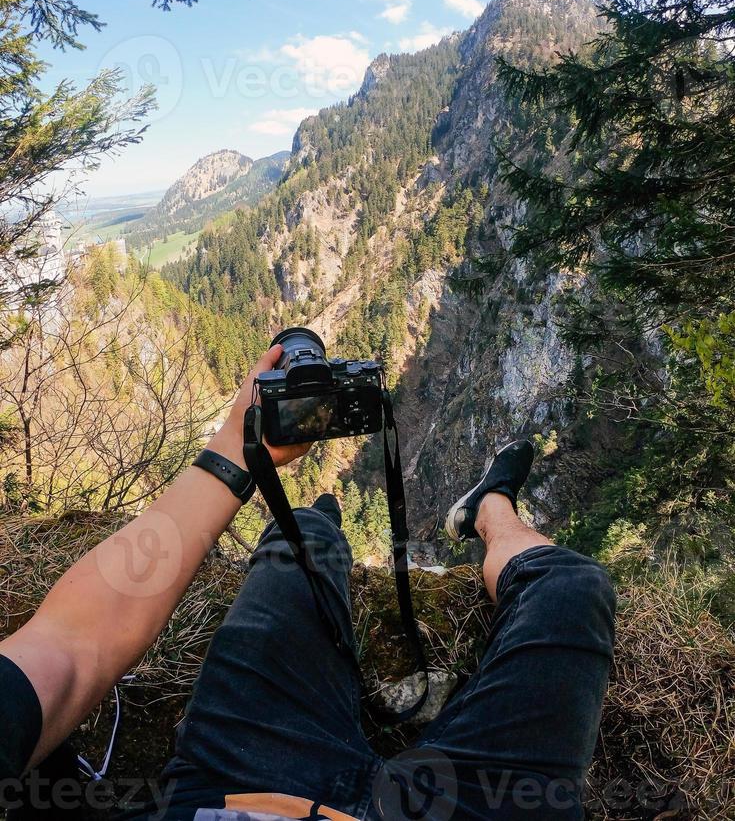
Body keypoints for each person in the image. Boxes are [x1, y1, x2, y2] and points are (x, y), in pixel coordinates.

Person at [0, 345, 616, 820]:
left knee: (300, 544)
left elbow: (72, 649)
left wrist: (235, 452)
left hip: (240, 780)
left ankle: (457, 511)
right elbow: (70, 650)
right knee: (570, 588)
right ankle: (480, 510)